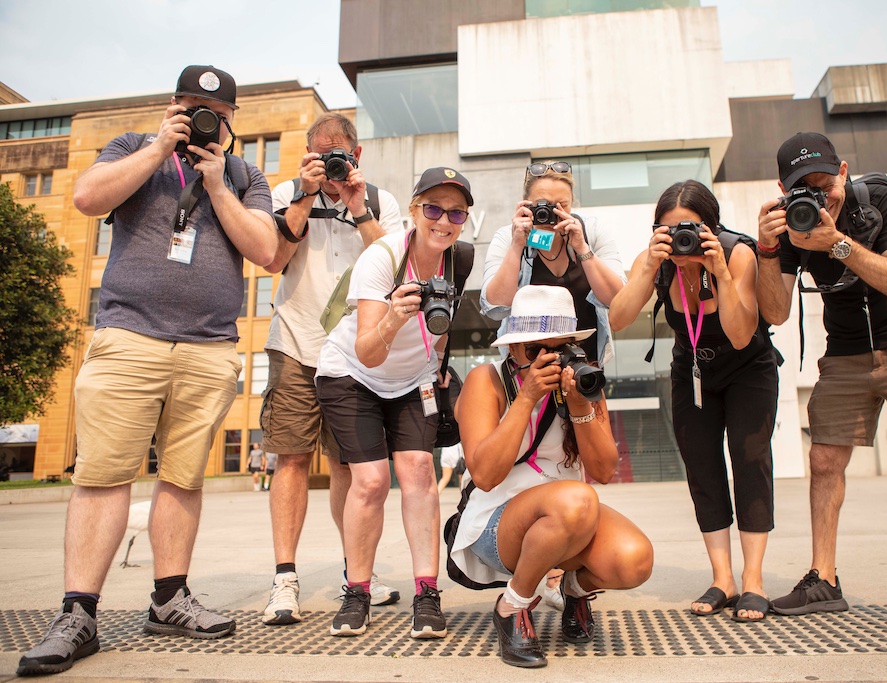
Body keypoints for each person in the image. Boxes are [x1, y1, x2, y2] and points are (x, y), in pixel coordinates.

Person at [17, 65, 277, 677]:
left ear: (232, 119)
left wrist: (216, 185)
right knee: (104, 475)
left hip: (208, 346)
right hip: (129, 336)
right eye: (192, 106)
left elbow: (266, 250)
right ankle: (78, 613)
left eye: (215, 111)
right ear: (173, 105)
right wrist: (163, 145)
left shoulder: (244, 175)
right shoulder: (134, 147)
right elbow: (86, 198)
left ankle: (169, 598)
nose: (204, 118)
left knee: (184, 479)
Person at [755, 132, 887, 647]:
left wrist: (837, 245)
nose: (817, 198)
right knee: (824, 458)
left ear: (843, 171)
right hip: (846, 348)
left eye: (825, 185)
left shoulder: (883, 201)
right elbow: (777, 312)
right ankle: (823, 579)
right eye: (804, 189)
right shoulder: (788, 226)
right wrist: (766, 249)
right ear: (784, 189)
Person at [450, 285, 654, 668]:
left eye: (560, 350)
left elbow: (604, 470)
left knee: (634, 561)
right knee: (577, 500)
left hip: (569, 517)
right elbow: (485, 474)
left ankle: (571, 590)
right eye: (534, 351)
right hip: (498, 520)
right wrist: (526, 399)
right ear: (512, 349)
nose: (549, 361)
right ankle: (513, 605)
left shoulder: (583, 382)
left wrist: (580, 406)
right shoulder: (487, 380)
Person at [316, 166, 475, 640]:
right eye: (433, 208)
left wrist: (439, 364)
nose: (443, 221)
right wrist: (394, 318)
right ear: (413, 210)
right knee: (369, 481)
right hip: (353, 373)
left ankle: (427, 592)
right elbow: (367, 347)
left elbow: (443, 326)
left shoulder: (459, 260)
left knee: (421, 474)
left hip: (413, 380)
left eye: (456, 212)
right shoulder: (382, 258)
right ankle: (357, 592)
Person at [609, 180, 779, 623]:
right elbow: (618, 318)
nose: (681, 240)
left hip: (748, 368)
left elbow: (742, 335)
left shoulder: (738, 253)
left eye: (691, 229)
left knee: (749, 460)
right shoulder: (658, 263)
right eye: (669, 230)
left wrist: (720, 273)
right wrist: (648, 266)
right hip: (692, 369)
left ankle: (754, 580)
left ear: (712, 226)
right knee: (702, 466)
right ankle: (723, 578)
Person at [260, 112, 402, 627]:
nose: (329, 162)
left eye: (336, 153)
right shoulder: (285, 193)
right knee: (291, 458)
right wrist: (304, 192)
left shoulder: (380, 201)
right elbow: (273, 260)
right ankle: (284, 579)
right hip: (296, 341)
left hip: (353, 353)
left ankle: (354, 575)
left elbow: (396, 264)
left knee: (347, 465)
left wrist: (357, 206)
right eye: (318, 154)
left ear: (356, 155)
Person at [480, 160, 625, 366]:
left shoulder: (591, 232)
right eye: (543, 204)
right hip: (527, 367)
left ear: (572, 203)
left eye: (562, 205)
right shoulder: (507, 237)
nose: (551, 213)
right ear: (525, 203)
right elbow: (495, 307)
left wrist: (582, 248)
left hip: (585, 366)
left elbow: (618, 300)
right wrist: (516, 245)